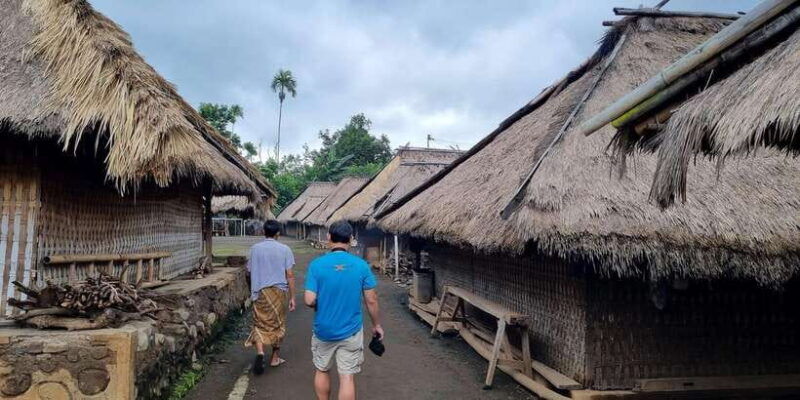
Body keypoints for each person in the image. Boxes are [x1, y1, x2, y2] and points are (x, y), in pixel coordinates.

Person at [304, 220, 384, 400]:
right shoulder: (361, 265)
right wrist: (376, 325)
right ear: (351, 239)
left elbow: (309, 299)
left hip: (323, 330)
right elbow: (371, 300)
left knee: (322, 369)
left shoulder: (316, 265)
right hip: (351, 331)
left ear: (329, 237)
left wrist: (319, 303)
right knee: (347, 377)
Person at [245, 219, 296, 375]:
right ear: (278, 233)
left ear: (263, 232)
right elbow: (290, 275)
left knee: (259, 322)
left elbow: (248, 272)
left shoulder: (255, 249)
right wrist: (293, 297)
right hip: (278, 292)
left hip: (259, 292)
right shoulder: (285, 249)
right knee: (278, 324)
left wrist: (251, 289)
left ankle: (260, 352)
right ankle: (274, 357)